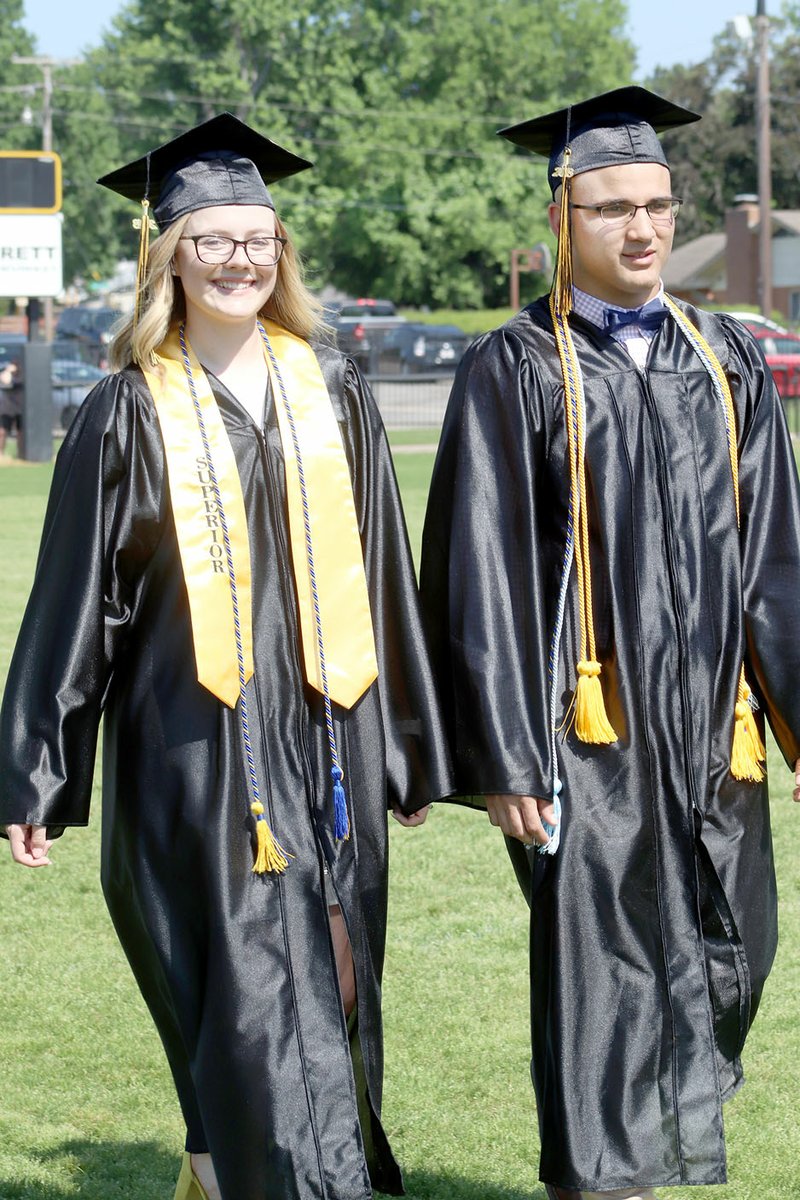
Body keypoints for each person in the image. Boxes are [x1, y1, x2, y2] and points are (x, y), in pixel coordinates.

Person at [0, 112, 451, 1200]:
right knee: (239, 1000)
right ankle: (252, 1170)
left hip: (329, 745)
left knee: (337, 983)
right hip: (191, 759)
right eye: (212, 240)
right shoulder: (119, 412)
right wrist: (39, 769)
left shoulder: (334, 388)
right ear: (169, 256)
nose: (240, 260)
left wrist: (405, 744)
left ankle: (240, 1170)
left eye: (260, 239)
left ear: (282, 253)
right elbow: (78, 601)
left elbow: (385, 570)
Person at [420, 86, 800, 1200]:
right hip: (580, 734)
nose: (641, 230)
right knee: (602, 976)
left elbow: (775, 557)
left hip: (712, 731)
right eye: (609, 209)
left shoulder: (723, 359)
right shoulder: (515, 367)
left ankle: (642, 1148)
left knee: (735, 948)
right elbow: (474, 569)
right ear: (559, 220)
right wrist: (502, 755)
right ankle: (598, 1182)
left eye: (656, 206)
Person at [0, 353, 23, 456]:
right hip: (7, 408)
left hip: (20, 408)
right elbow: (4, 379)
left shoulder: (21, 377)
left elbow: (11, 382)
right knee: (2, 432)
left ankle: (20, 453)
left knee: (20, 433)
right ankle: (1, 453)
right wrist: (8, 371)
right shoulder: (8, 374)